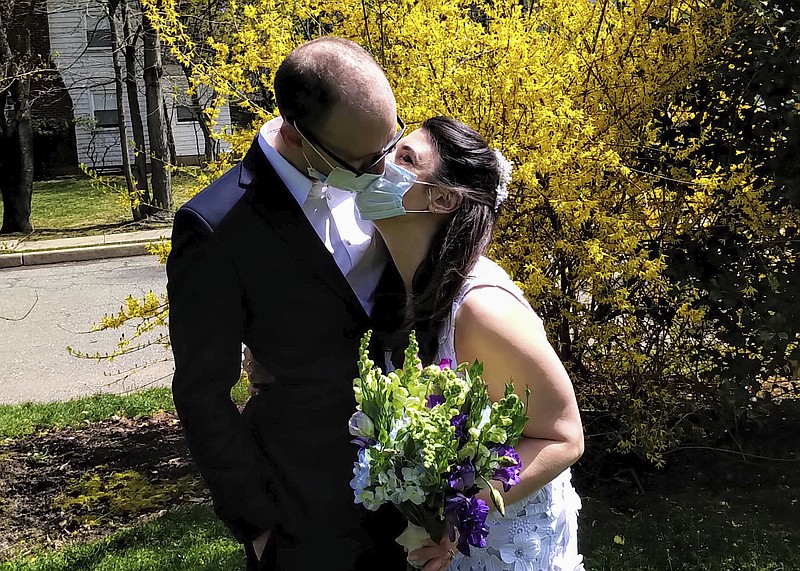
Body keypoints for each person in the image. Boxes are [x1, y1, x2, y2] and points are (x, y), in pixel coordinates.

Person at [166, 37, 408, 571]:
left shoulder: (380, 164)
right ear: (300, 137)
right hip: (305, 509)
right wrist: (257, 523)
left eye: (391, 144)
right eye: (366, 160)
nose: (384, 169)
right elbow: (202, 393)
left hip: (414, 488)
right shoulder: (217, 227)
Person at [357, 116, 586, 571]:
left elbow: (564, 436)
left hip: (507, 547)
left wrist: (455, 519)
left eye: (405, 158)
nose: (380, 165)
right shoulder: (395, 287)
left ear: (441, 199)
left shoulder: (482, 311)